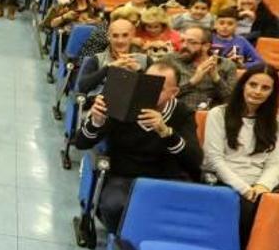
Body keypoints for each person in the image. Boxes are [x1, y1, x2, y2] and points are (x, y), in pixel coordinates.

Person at [75, 61, 203, 233]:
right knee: (114, 206)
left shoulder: (182, 112)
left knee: (194, 210)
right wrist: (96, 122)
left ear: (174, 93)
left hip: (167, 177)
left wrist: (166, 132)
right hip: (125, 176)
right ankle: (124, 245)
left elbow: (195, 159)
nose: (150, 92)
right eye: (147, 84)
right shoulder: (121, 102)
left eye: (160, 88)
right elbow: (81, 142)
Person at [203, 65, 279, 237]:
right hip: (227, 181)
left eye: (265, 88)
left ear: (272, 92)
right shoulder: (218, 114)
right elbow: (214, 160)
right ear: (243, 85)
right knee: (248, 208)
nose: (258, 91)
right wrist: (245, 189)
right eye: (253, 85)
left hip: (260, 186)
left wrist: (263, 186)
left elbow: (275, 164)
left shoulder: (276, 122)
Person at [167, 26, 237, 110]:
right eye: (182, 41)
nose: (184, 46)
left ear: (206, 46)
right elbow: (161, 95)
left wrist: (216, 78)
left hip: (211, 115)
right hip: (179, 113)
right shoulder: (170, 61)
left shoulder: (227, 65)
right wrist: (192, 82)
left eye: (192, 42)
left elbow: (232, 101)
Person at [77, 18, 148, 96]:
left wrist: (139, 71)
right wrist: (108, 68)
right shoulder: (97, 59)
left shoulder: (145, 60)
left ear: (133, 36)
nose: (120, 41)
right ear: (108, 36)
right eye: (115, 36)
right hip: (101, 104)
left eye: (125, 35)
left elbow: (152, 91)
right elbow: (82, 87)